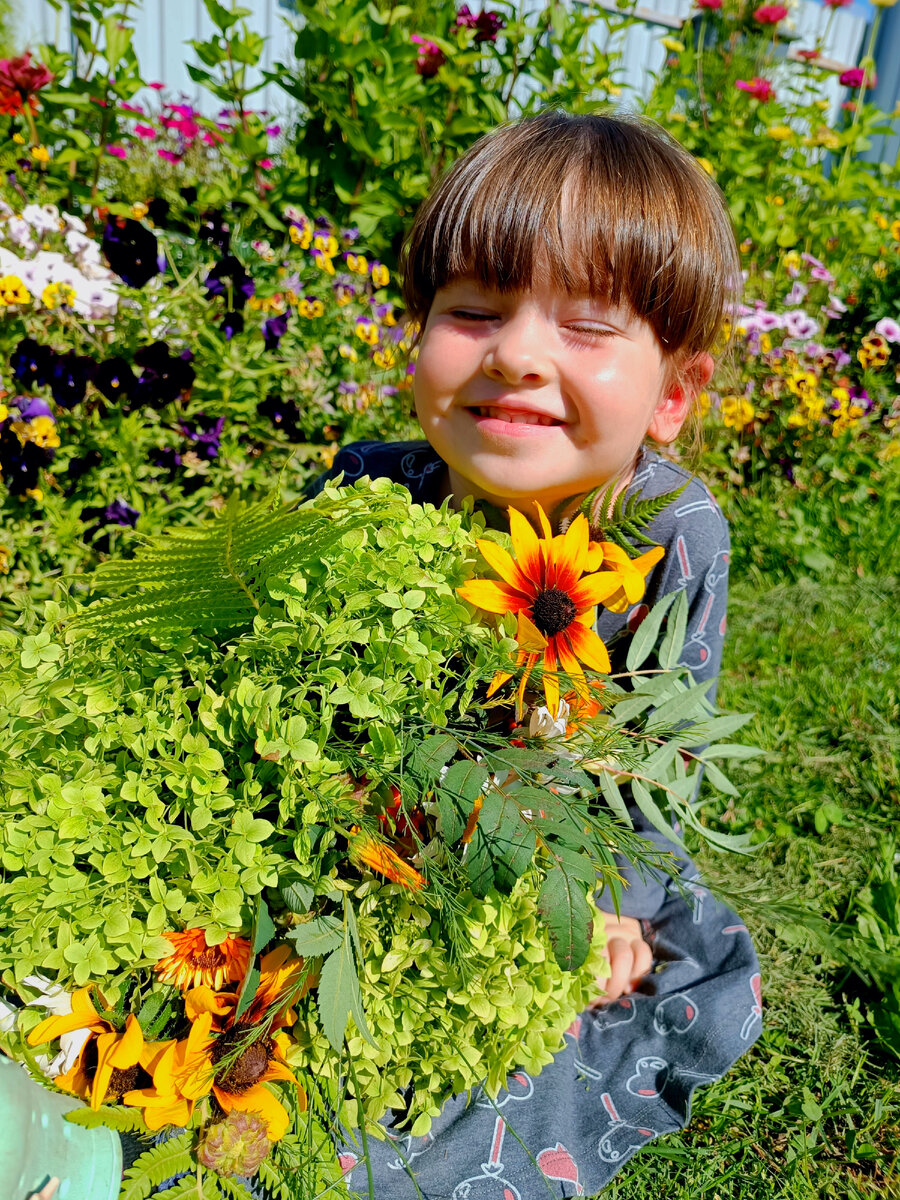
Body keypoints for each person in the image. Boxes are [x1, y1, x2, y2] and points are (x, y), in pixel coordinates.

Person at [307, 109, 761, 1198]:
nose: (514, 354)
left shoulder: (668, 534)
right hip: (376, 831)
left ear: (674, 395)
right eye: (471, 311)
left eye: (588, 326)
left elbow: (656, 753)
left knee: (672, 995)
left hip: (569, 848)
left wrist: (605, 902)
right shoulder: (369, 491)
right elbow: (307, 692)